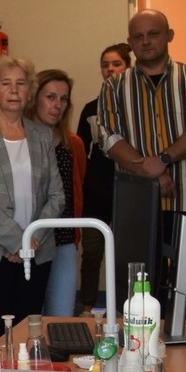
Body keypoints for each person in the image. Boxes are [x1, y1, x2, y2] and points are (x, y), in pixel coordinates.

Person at [99, 10, 186, 320]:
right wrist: (150, 171)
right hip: (137, 207)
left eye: (153, 33)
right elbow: (109, 137)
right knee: (140, 291)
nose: (146, 41)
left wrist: (163, 161)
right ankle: (144, 349)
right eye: (138, 36)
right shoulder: (114, 86)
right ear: (130, 42)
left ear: (169, 35)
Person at [0, 56, 65, 333]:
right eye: (6, 83)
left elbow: (57, 195)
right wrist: (17, 240)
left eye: (21, 83)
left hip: (37, 250)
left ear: (29, 92)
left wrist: (30, 240)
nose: (14, 90)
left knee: (30, 329)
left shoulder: (42, 134)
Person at [76, 43, 130, 310]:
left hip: (128, 189)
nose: (110, 69)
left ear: (127, 67)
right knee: (92, 253)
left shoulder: (135, 107)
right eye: (105, 64)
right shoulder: (90, 108)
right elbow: (80, 150)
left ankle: (125, 306)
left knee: (126, 254)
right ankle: (87, 307)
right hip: (96, 191)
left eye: (116, 64)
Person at [31, 68, 84, 316]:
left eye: (63, 99)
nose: (57, 105)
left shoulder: (72, 143)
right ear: (35, 98)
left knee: (62, 314)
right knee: (29, 315)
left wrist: (75, 237)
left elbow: (77, 190)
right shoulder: (20, 140)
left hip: (64, 237)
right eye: (50, 97)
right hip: (31, 239)